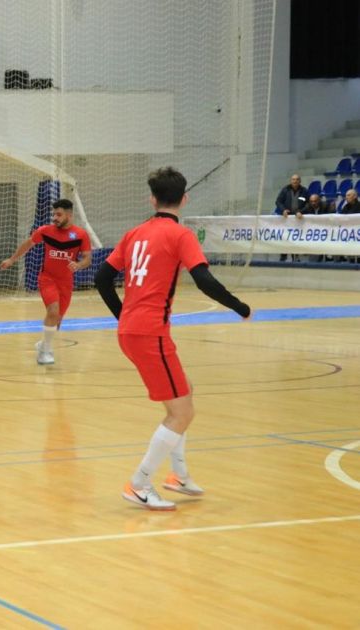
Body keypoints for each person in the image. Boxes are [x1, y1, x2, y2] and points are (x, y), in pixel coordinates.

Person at [94, 167, 252, 511]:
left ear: (152, 199)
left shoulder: (134, 233)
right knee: (181, 413)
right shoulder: (181, 235)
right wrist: (239, 307)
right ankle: (139, 483)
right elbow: (204, 281)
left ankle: (178, 475)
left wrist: (124, 316)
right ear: (185, 199)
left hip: (133, 330)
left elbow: (102, 278)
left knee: (185, 392)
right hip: (149, 333)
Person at [0, 199, 92, 365]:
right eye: (54, 214)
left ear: (69, 215)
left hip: (66, 282)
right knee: (53, 311)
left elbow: (87, 259)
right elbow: (28, 244)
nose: (55, 218)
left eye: (59, 214)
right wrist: (12, 259)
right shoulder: (46, 231)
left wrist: (78, 265)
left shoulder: (80, 235)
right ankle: (45, 352)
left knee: (57, 321)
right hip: (47, 278)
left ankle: (43, 344)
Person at [275, 174, 308, 262]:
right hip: (287, 218)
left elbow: (308, 203)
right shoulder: (285, 190)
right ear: (290, 181)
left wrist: (301, 211)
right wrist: (283, 210)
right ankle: (283, 256)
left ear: (300, 181)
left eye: (297, 179)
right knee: (285, 237)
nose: (295, 181)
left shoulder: (304, 191)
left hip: (298, 218)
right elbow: (278, 201)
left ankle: (295, 256)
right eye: (293, 179)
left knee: (295, 238)